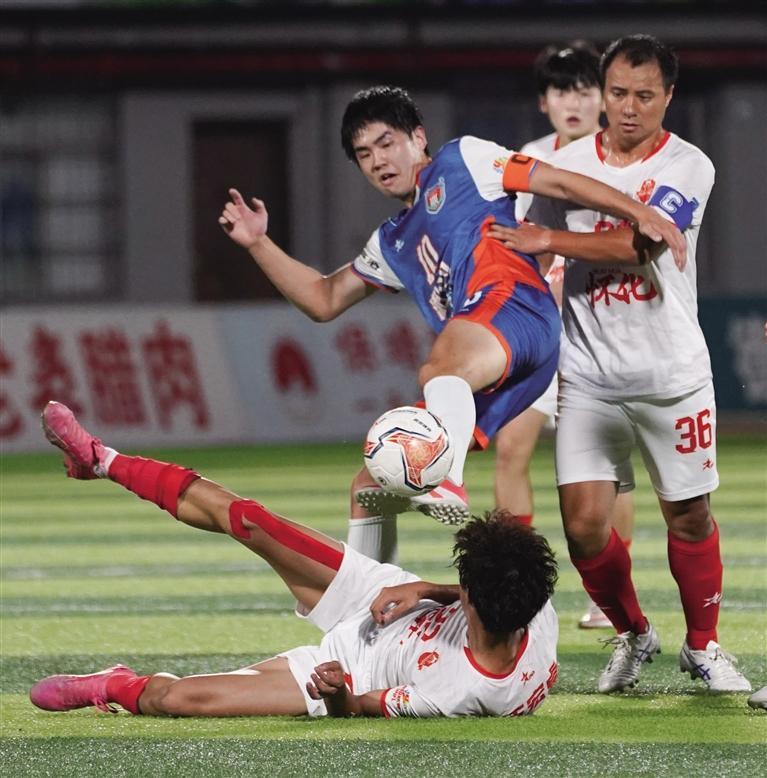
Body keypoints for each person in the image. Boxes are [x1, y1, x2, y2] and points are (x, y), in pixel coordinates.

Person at [219, 85, 685, 533]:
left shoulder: (463, 160)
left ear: (418, 137)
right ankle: (368, 587)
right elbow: (324, 300)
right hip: (490, 363)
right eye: (364, 154)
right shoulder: (391, 242)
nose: (378, 160)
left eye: (386, 143)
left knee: (439, 368)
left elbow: (558, 180)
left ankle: (447, 480)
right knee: (370, 486)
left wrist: (638, 212)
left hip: (517, 309)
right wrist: (258, 244)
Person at [488, 35, 751, 694]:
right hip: (588, 377)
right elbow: (521, 246)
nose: (628, 108)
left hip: (671, 377)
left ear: (668, 96)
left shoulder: (689, 165)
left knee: (688, 516)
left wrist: (551, 238)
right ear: (603, 94)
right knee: (582, 528)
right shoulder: (565, 166)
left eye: (644, 95)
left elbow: (642, 245)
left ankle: (703, 645)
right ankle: (633, 633)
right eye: (617, 93)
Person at [31, 401, 560, 719]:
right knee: (249, 520)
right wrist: (422, 589)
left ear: (474, 601)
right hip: (375, 594)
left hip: (351, 668)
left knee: (181, 702)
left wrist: (336, 692)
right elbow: (482, 591)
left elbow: (357, 708)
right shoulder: (536, 609)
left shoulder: (459, 693)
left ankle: (115, 682)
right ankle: (101, 460)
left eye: (461, 587)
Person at [492, 42, 634, 630]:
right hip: (542, 334)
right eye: (560, 91)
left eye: (583, 89)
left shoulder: (621, 161)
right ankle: (514, 587)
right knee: (510, 449)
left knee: (613, 469)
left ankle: (610, 598)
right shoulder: (527, 162)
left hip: (604, 330)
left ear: (603, 98)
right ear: (543, 102)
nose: (572, 102)